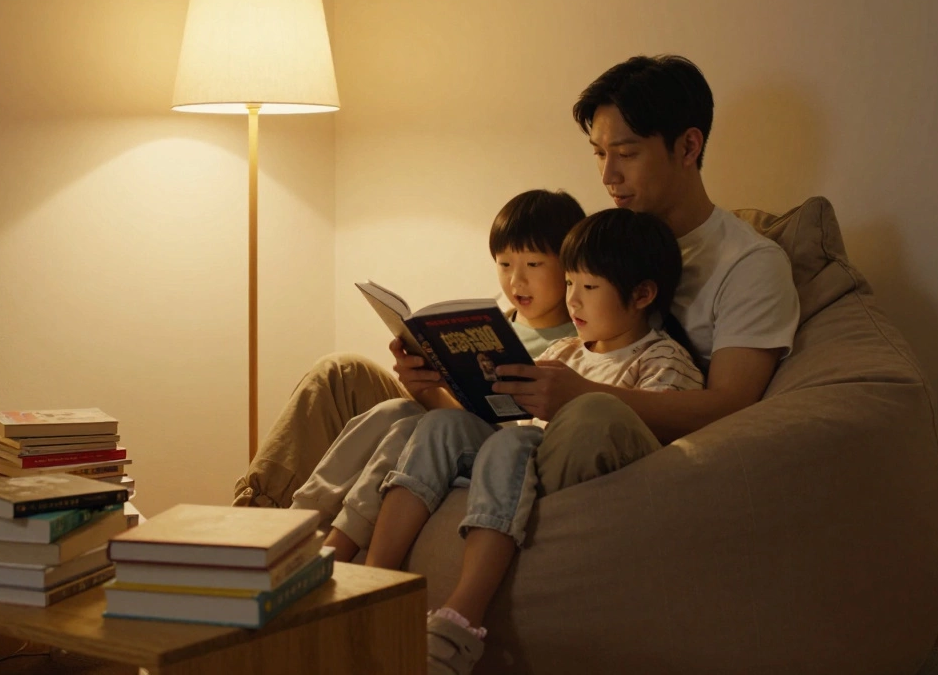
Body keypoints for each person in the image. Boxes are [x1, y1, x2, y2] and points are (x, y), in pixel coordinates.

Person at [385, 55, 800, 675]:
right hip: (527, 431)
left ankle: (460, 613)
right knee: (367, 395)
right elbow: (525, 351)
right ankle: (312, 564)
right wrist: (435, 385)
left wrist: (576, 394)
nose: (607, 174)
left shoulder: (747, 264)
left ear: (689, 146)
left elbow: (734, 408)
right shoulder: (593, 245)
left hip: (615, 442)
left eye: (626, 153)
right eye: (598, 153)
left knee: (591, 416)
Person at [365, 208, 703, 673]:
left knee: (511, 444)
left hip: (552, 473)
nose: (573, 300)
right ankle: (373, 582)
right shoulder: (564, 351)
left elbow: (656, 440)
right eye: (569, 283)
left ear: (642, 294)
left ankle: (461, 617)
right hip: (509, 459)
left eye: (589, 288)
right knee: (439, 426)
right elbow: (512, 423)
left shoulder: (662, 359)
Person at [287, 190, 587, 563]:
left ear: (570, 264)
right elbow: (456, 418)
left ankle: (334, 551)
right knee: (394, 411)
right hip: (463, 431)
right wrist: (425, 383)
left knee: (413, 424)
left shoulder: (579, 342)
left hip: (506, 448)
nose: (516, 280)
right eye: (505, 264)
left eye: (534, 264)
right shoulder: (493, 324)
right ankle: (295, 523)